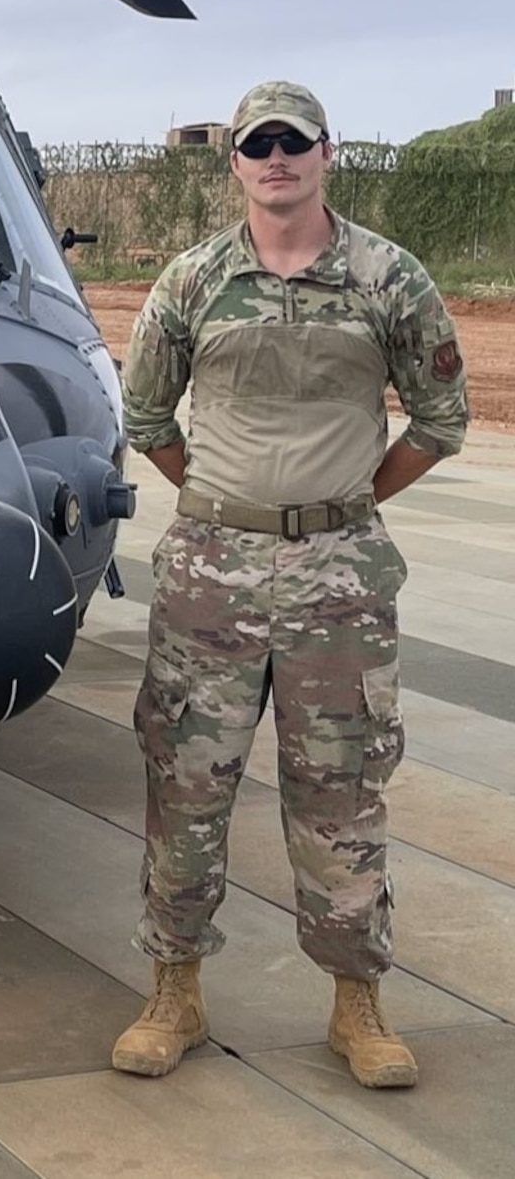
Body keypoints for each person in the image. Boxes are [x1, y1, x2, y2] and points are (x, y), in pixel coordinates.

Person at [113, 80, 469, 1089]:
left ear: (325, 153)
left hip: (339, 583)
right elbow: (145, 420)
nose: (276, 157)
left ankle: (355, 1005)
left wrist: (343, 504)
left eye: (293, 142)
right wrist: (229, 504)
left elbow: (440, 419)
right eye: (256, 143)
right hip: (208, 579)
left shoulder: (387, 278)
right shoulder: (188, 281)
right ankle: (170, 992)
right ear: (233, 159)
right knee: (183, 787)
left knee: (341, 793)